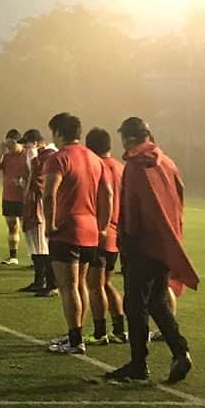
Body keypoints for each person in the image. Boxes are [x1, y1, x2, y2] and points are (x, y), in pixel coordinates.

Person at [105, 118, 198, 384]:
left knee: (135, 305)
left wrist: (127, 242)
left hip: (142, 244)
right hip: (165, 243)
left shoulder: (134, 167)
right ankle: (180, 351)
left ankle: (138, 364)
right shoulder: (167, 162)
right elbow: (179, 198)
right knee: (157, 301)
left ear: (128, 139)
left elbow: (131, 209)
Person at [42, 112, 112, 355]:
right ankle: (76, 334)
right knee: (80, 283)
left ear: (59, 133)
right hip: (90, 229)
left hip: (67, 228)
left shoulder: (58, 158)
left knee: (68, 286)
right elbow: (108, 195)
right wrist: (102, 226)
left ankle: (75, 340)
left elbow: (49, 193)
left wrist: (50, 225)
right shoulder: (95, 159)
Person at [84, 128, 128, 345]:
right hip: (118, 233)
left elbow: (104, 198)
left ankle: (100, 333)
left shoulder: (98, 167)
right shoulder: (121, 167)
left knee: (94, 285)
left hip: (102, 233)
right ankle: (119, 329)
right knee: (106, 283)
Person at [18, 129, 57, 294]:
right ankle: (39, 280)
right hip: (33, 204)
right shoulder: (38, 156)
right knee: (35, 244)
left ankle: (49, 283)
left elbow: (40, 179)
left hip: (41, 205)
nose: (26, 149)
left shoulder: (48, 155)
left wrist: (33, 159)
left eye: (27, 145)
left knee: (43, 245)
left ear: (35, 143)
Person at [0, 128, 28, 266]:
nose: (10, 147)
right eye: (8, 144)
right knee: (12, 227)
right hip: (9, 197)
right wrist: (1, 152)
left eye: (12, 144)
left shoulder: (27, 155)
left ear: (20, 143)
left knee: (28, 229)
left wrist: (22, 181)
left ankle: (37, 258)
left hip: (24, 198)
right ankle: (13, 257)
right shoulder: (6, 156)